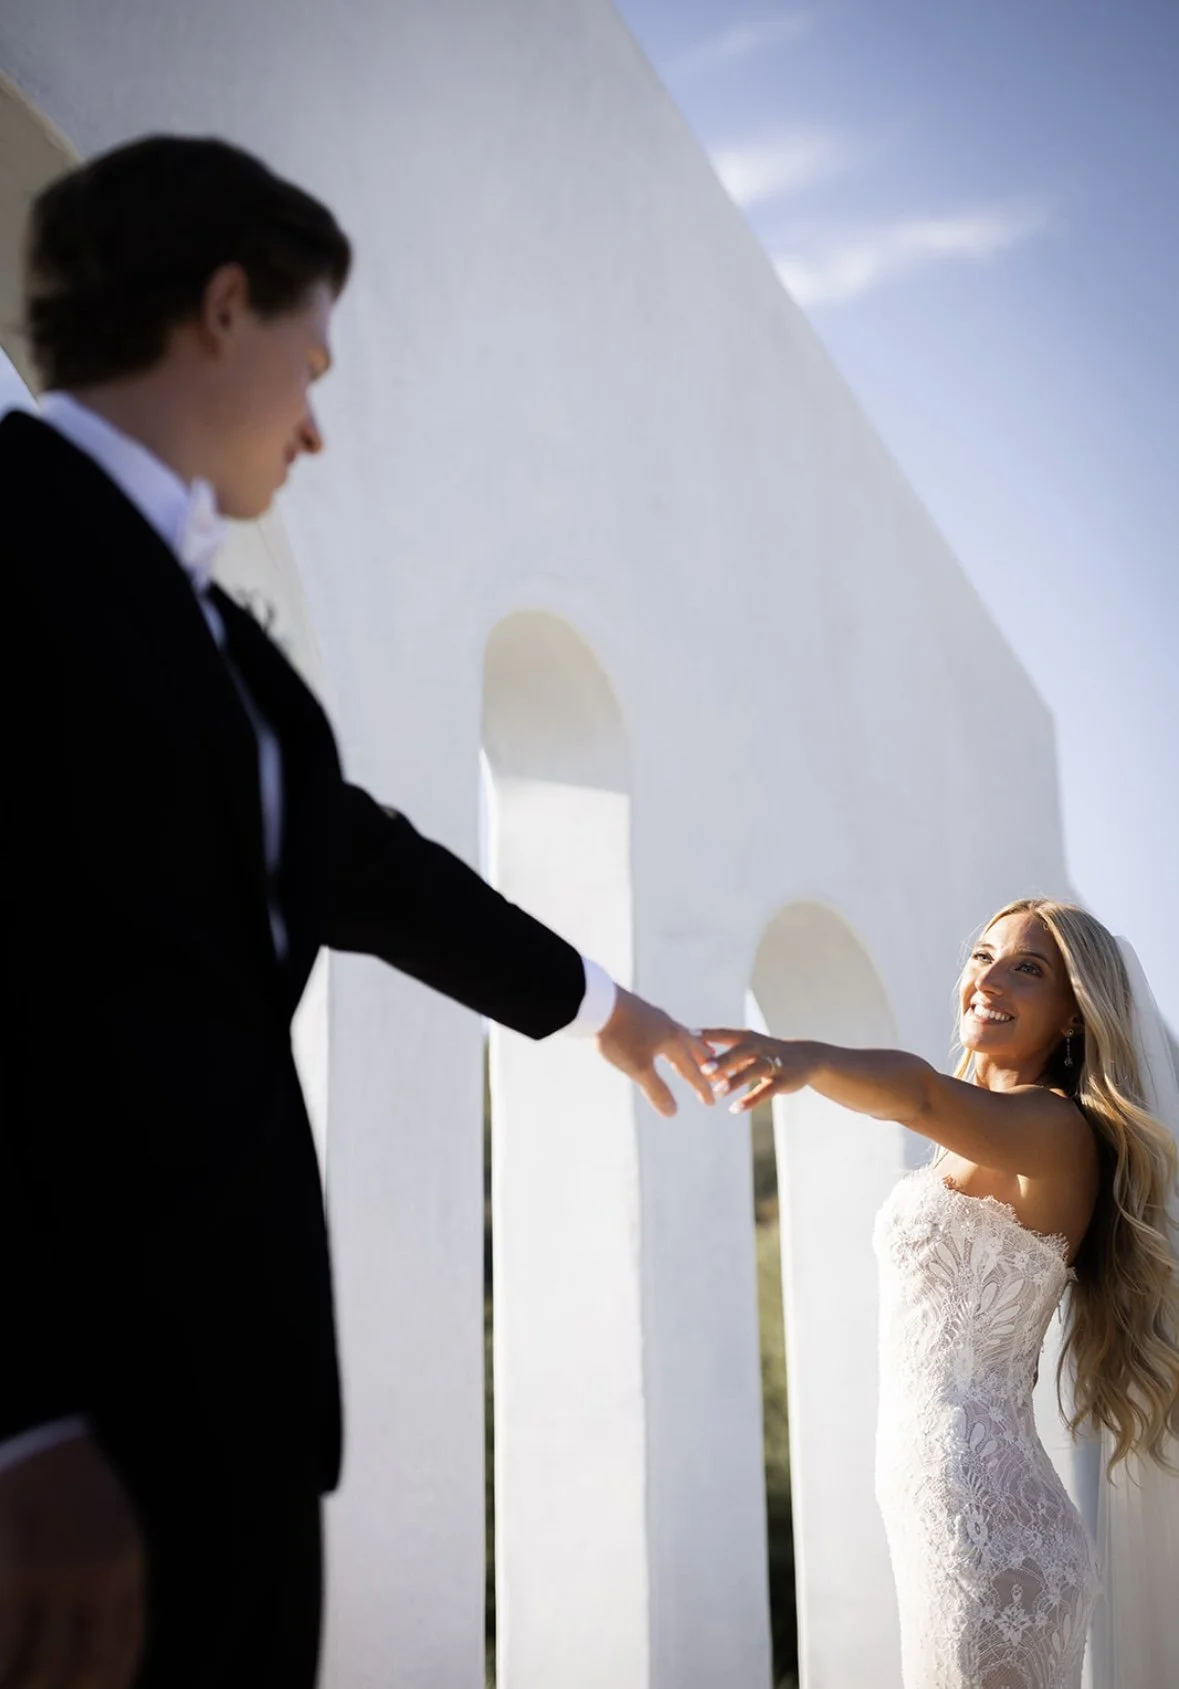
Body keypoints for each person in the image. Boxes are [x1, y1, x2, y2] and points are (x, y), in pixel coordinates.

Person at [0, 135, 715, 1689]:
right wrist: (28, 1418)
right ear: (224, 305)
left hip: (241, 1434)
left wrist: (602, 1005)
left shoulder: (222, 650)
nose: (317, 425)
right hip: (67, 1452)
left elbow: (360, 864)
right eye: (309, 359)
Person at [704, 897, 1179, 1689]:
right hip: (945, 1515)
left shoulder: (1056, 1129)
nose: (987, 979)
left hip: (986, 1529)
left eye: (1028, 968)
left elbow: (920, 1093)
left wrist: (807, 1057)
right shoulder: (990, 1133)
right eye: (982, 956)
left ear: (1072, 1015)